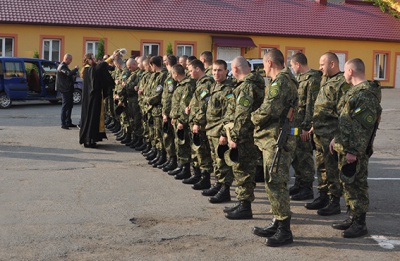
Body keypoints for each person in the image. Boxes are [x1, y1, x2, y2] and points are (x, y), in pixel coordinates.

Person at [251, 48, 298, 247]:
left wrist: (252, 118)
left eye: (263, 63)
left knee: (276, 184)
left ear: (269, 62)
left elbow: (270, 109)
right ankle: (277, 222)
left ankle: (285, 231)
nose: (263, 67)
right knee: (272, 183)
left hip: (277, 140)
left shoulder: (281, 82)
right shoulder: (281, 80)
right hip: (273, 138)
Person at [329, 58, 381, 238]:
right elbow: (347, 120)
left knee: (357, 185)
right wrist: (336, 138)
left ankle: (360, 223)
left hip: (354, 151)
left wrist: (352, 151)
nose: (343, 74)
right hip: (346, 147)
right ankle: (352, 216)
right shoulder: (355, 92)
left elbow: (362, 129)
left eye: (345, 71)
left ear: (351, 71)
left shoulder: (365, 94)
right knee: (348, 184)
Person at [305, 52, 350, 216]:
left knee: (332, 169)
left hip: (330, 134)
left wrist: (337, 136)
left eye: (322, 64)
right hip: (319, 132)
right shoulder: (325, 79)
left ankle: (334, 201)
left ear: (332, 64)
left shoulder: (342, 83)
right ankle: (323, 196)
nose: (320, 67)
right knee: (322, 167)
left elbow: (343, 113)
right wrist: (313, 125)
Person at [222, 56, 264, 220]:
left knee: (243, 170)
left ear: (235, 69)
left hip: (245, 136)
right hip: (248, 134)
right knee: (243, 170)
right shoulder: (252, 84)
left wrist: (235, 136)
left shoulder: (247, 87)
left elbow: (242, 114)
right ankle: (242, 203)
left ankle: (245, 206)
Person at [288, 53, 322, 201]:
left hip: (304, 125)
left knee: (305, 156)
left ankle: (307, 188)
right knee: (296, 155)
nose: (291, 68)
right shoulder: (300, 78)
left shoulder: (313, 79)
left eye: (291, 65)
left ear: (298, 64)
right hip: (296, 123)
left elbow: (311, 105)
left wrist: (307, 127)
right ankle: (299, 183)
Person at [203, 59, 234, 203]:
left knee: (223, 162)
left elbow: (229, 114)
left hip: (219, 132)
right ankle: (218, 184)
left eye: (219, 70)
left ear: (226, 72)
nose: (216, 73)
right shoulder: (215, 86)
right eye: (214, 70)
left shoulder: (228, 90)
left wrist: (224, 134)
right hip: (211, 130)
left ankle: (225, 190)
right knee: (216, 161)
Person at [183, 59, 214, 190]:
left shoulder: (206, 84)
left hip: (200, 124)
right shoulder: (199, 83)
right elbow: (197, 102)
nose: (189, 73)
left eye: (190, 71)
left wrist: (197, 122)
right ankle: (198, 175)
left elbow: (204, 106)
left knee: (203, 152)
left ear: (197, 69)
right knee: (196, 151)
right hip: (195, 122)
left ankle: (205, 178)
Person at [79, 52, 115, 148]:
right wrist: (110, 58)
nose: (95, 60)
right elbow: (99, 68)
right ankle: (89, 139)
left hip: (92, 98)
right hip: (92, 99)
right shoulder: (89, 69)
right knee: (91, 119)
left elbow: (99, 68)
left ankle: (91, 139)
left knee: (93, 119)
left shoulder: (88, 69)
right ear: (89, 60)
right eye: (93, 58)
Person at [168, 64, 196, 179]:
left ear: (176, 74)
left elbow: (185, 105)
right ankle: (181, 166)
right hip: (177, 119)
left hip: (182, 121)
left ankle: (185, 169)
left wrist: (181, 121)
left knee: (184, 145)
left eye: (172, 74)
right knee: (179, 143)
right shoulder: (181, 85)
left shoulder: (187, 85)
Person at [56, 53, 78, 130]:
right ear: (67, 59)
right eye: (70, 60)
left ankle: (68, 121)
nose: (71, 62)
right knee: (65, 106)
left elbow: (69, 75)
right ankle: (63, 123)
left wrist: (74, 75)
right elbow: (68, 74)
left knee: (69, 106)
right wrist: (75, 69)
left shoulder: (65, 66)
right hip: (65, 89)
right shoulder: (62, 66)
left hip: (68, 89)